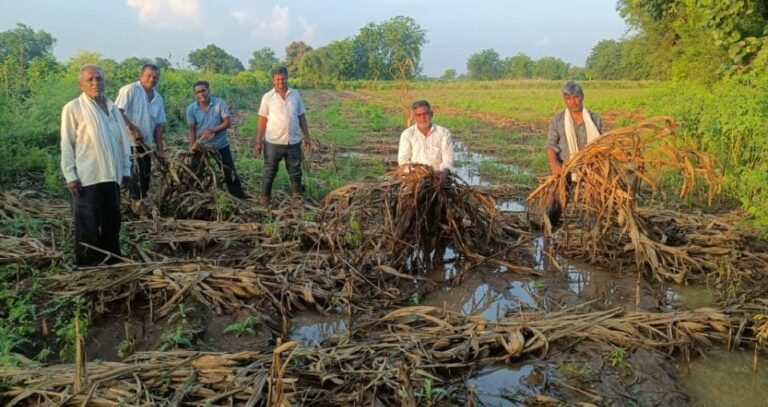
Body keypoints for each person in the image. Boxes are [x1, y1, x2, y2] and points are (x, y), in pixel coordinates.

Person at [60, 64, 132, 266]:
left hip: (112, 175)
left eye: (99, 78)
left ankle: (112, 261)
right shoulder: (73, 108)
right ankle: (88, 265)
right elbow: (66, 143)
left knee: (112, 222)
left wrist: (126, 169)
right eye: (90, 79)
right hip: (87, 176)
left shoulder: (113, 108)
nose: (95, 83)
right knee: (88, 224)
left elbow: (123, 141)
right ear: (81, 84)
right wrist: (70, 175)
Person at [544, 81, 603, 224]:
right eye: (568, 98)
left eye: (576, 97)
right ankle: (550, 227)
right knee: (556, 203)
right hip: (565, 167)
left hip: (590, 168)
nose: (573, 102)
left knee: (595, 204)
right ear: (564, 100)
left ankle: (593, 228)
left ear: (582, 96)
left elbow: (601, 146)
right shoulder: (558, 120)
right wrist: (555, 165)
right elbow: (550, 146)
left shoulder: (594, 119)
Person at [253, 66, 311, 208]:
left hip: (293, 141)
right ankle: (265, 198)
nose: (281, 82)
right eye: (278, 79)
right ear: (273, 80)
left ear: (287, 78)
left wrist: (307, 137)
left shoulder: (295, 94)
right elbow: (262, 120)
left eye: (283, 79)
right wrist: (258, 143)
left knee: (295, 171)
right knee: (269, 171)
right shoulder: (268, 97)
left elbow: (301, 116)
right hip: (273, 142)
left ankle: (296, 197)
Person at [115, 64, 167, 213]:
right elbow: (118, 112)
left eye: (155, 77)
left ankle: (137, 204)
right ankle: (135, 206)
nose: (152, 79)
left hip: (146, 145)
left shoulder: (158, 98)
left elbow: (158, 126)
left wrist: (160, 150)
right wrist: (133, 128)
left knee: (145, 176)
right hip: (128, 143)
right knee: (134, 175)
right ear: (141, 75)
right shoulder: (129, 90)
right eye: (148, 76)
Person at [186, 80, 245, 199]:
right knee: (194, 171)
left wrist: (212, 130)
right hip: (202, 146)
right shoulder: (191, 109)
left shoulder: (219, 103)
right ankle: (192, 195)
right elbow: (192, 130)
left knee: (229, 172)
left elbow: (227, 122)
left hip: (220, 145)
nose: (201, 94)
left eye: (203, 90)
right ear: (195, 94)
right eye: (198, 92)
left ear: (208, 90)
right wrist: (192, 147)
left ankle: (238, 197)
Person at [397, 100, 455, 184]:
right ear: (414, 117)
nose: (423, 117)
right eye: (419, 115)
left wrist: (445, 172)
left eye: (425, 114)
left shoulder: (443, 132)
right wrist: (417, 172)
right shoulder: (407, 134)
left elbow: (448, 158)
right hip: (414, 178)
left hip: (438, 177)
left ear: (431, 114)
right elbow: (403, 161)